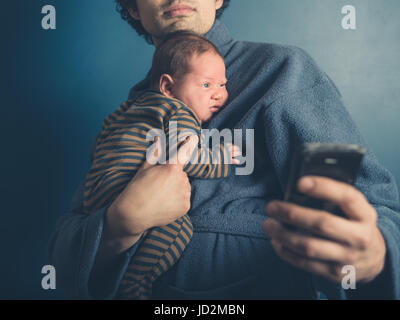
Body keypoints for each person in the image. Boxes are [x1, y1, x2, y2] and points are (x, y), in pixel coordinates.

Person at [49, 0, 400, 299]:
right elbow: (64, 256)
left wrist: (374, 256)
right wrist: (120, 225)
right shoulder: (133, 111)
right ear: (132, 7)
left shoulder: (282, 72)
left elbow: (370, 209)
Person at [83, 32, 240, 300]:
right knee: (178, 228)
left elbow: (101, 140)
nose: (219, 95)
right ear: (168, 87)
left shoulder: (133, 106)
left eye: (223, 84)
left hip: (97, 194)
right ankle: (132, 283)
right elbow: (186, 157)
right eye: (206, 85)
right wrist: (220, 159)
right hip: (127, 191)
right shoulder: (180, 112)